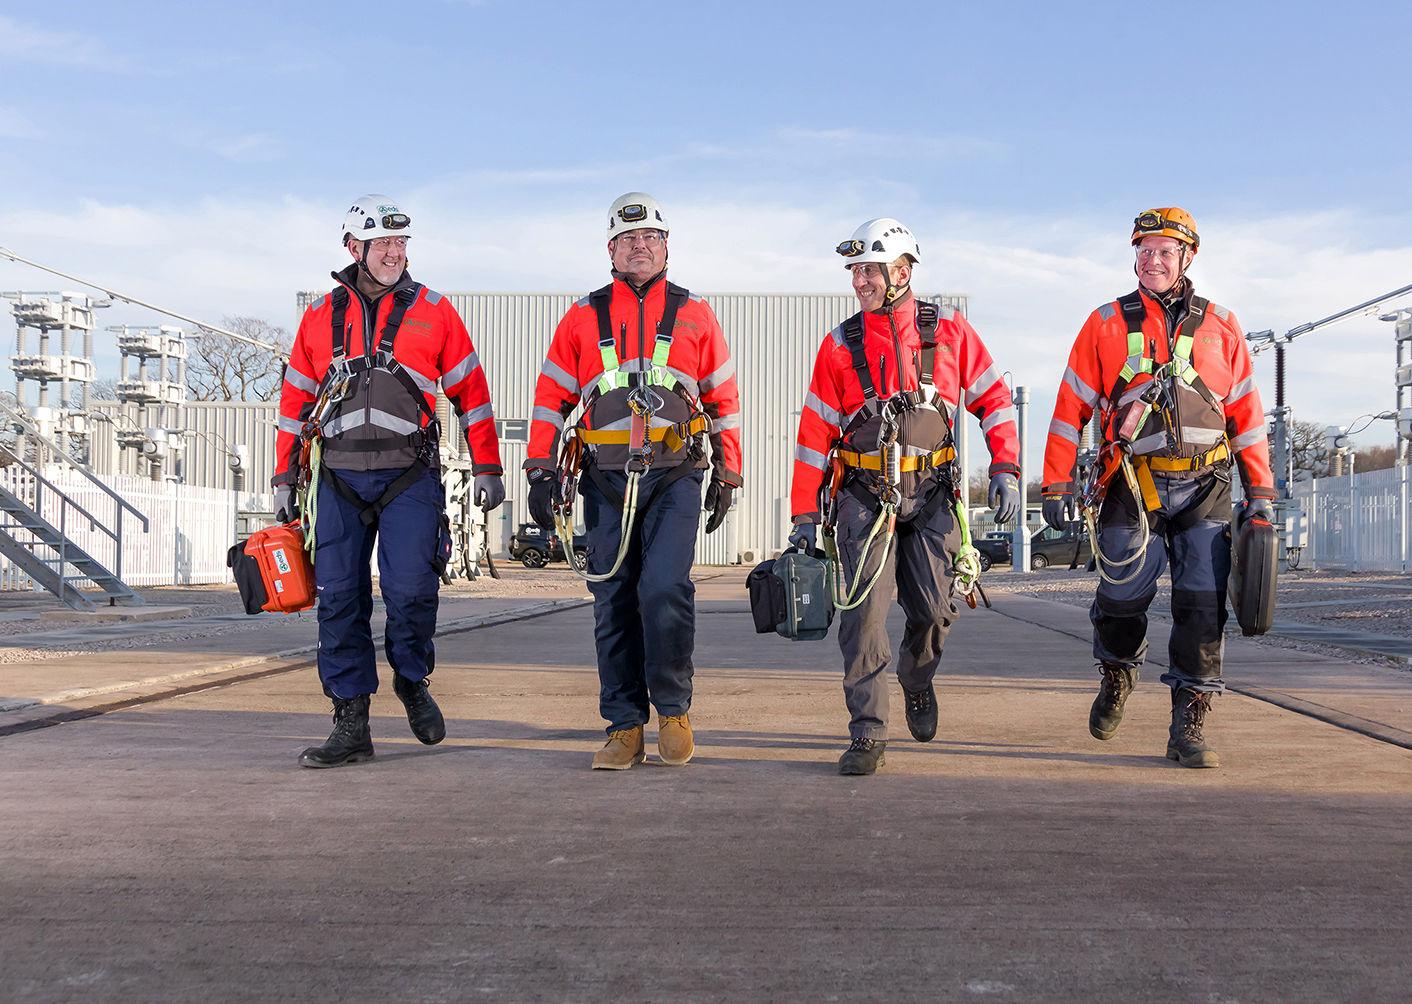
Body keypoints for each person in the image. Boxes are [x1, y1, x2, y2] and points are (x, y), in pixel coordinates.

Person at [273, 194, 505, 768]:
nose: (394, 254)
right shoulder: (320, 317)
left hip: (410, 477)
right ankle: (351, 723)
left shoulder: (435, 311)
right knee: (339, 603)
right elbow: (293, 405)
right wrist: (283, 475)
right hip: (337, 480)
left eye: (401, 244)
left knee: (411, 592)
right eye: (382, 244)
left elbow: (471, 394)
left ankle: (411, 679)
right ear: (353, 247)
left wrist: (488, 465)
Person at [1039, 208, 1274, 769]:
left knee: (1202, 608)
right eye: (1144, 250)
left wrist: (1260, 492)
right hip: (1129, 482)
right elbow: (1069, 407)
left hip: (1207, 485)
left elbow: (1246, 412)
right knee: (1121, 600)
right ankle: (1118, 673)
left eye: (1165, 251)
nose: (1153, 260)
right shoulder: (1104, 322)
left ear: (1187, 258)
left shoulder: (1222, 324)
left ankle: (1188, 723)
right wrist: (1054, 482)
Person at [788, 218, 1021, 776]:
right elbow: (815, 434)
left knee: (935, 611)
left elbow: (994, 399)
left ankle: (917, 679)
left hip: (934, 493)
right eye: (855, 272)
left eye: (869, 270)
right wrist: (802, 513)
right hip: (863, 496)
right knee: (863, 617)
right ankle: (868, 732)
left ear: (902, 271)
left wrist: (1007, 467)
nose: (859, 281)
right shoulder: (840, 345)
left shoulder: (950, 331)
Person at [524, 193, 742, 770]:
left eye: (650, 237)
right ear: (611, 250)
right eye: (628, 238)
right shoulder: (582, 316)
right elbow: (551, 398)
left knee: (664, 588)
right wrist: (540, 468)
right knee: (612, 600)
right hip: (603, 479)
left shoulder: (696, 314)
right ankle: (624, 725)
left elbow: (723, 398)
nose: (639, 245)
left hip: (676, 476)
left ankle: (672, 709)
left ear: (666, 246)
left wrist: (729, 468)